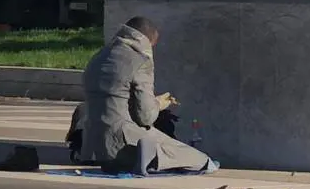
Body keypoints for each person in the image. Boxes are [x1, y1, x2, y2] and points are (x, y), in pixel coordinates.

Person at [80, 16, 218, 174]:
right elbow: (145, 117)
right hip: (124, 143)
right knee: (200, 160)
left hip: (93, 146)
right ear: (147, 40)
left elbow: (114, 98)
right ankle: (146, 158)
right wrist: (159, 103)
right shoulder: (140, 60)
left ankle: (141, 158)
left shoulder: (98, 57)